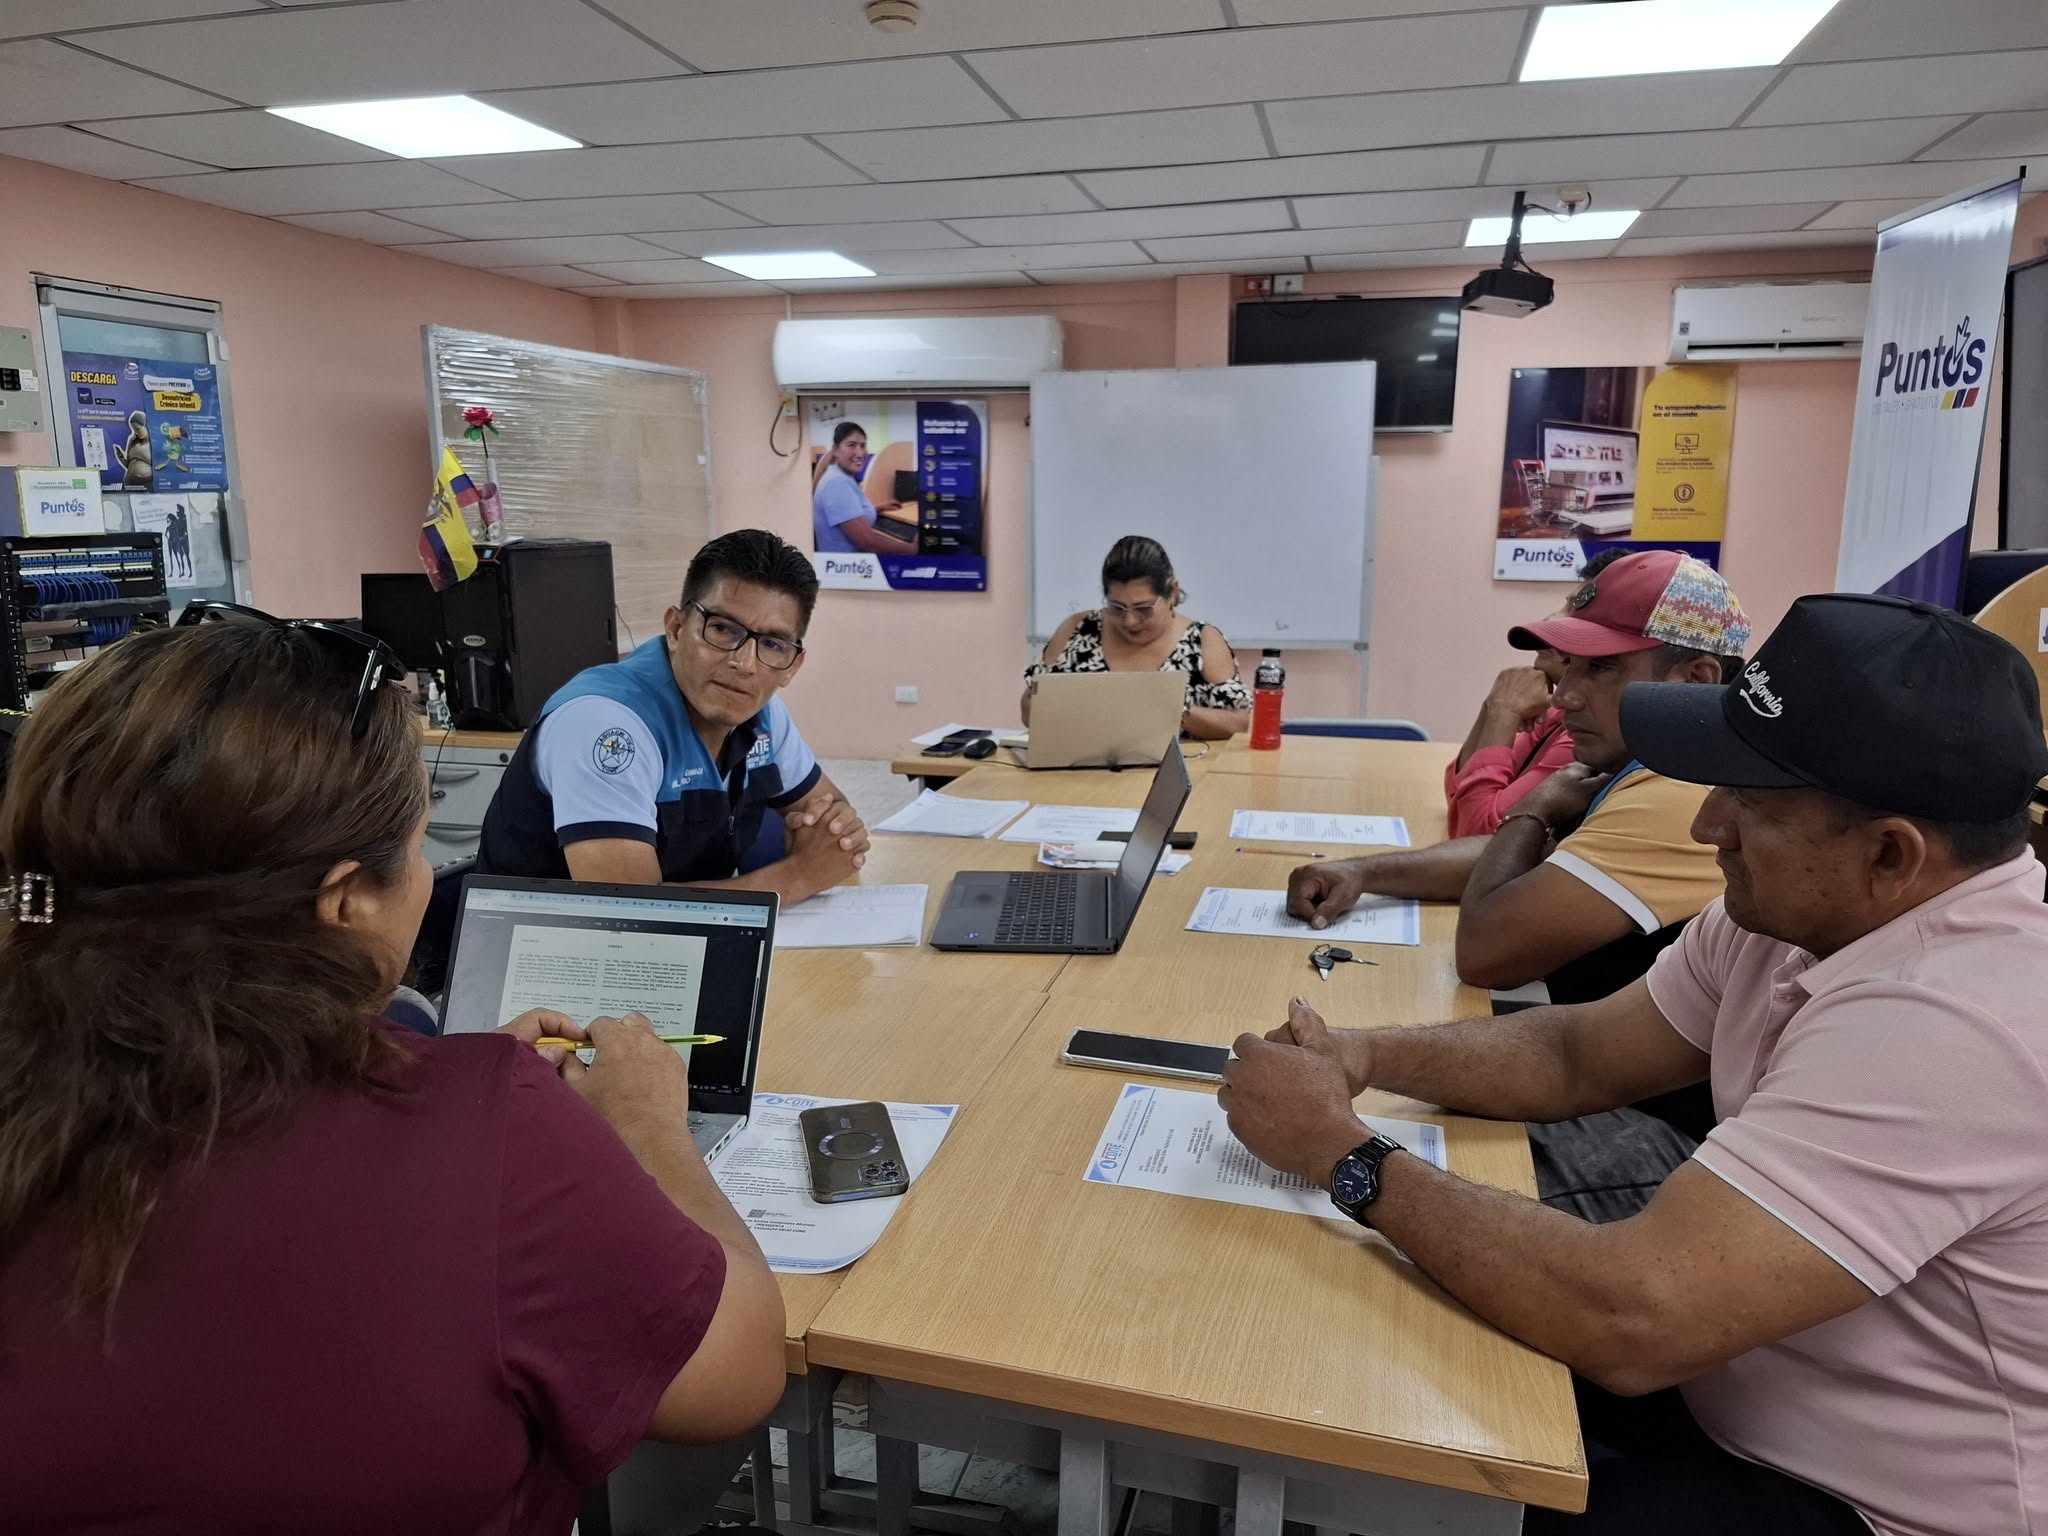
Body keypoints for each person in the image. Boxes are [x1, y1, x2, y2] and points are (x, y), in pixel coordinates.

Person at [1221, 593, 2048, 1535]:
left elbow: (1633, 1318)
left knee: (1415, 1474)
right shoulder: (1799, 912)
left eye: (1748, 802)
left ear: (1891, 855)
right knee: (1361, 1350)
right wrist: (1361, 1055)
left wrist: (1342, 1153)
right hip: (1733, 1385)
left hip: (1867, 1505)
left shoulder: (1960, 1020)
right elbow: (1574, 1053)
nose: (1707, 827)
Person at [0, 609, 787, 1532]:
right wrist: (646, 1122)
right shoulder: (498, 1135)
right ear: (344, 903)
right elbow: (736, 1370)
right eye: (421, 850)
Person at [1292, 550, 1748, 1003]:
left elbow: (1482, 953)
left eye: (1601, 668)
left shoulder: (1680, 793)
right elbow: (1533, 861)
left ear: (1696, 680)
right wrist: (1362, 872)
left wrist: (1533, 808)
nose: (1563, 697)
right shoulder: (1648, 762)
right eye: (1569, 666)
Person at [477, 528, 869, 902]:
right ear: (677, 629)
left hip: (682, 944)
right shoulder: (606, 726)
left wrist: (828, 835)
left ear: (792, 666)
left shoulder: (761, 713)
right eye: (723, 629)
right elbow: (629, 911)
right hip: (538, 944)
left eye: (772, 644)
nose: (745, 663)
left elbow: (831, 821)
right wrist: (798, 876)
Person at [1444, 550, 1630, 837]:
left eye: (1574, 611)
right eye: (1564, 604)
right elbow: (1457, 794)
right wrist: (1494, 704)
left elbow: (1475, 833)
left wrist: (1503, 711)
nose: (1549, 620)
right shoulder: (1557, 712)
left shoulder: (1586, 735)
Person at [1024, 535, 1252, 741]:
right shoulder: (1078, 630)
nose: (1130, 621)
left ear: (1172, 593)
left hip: (1176, 770)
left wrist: (1173, 711)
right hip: (1080, 767)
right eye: (1117, 607)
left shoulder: (1201, 641)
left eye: (1143, 608)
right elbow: (1028, 710)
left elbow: (1238, 723)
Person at [812, 421, 910, 555]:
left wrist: (877, 508)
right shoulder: (837, 483)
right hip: (847, 565)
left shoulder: (837, 475)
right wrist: (913, 548)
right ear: (836, 450)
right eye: (851, 445)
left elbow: (846, 512)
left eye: (863, 446)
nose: (860, 453)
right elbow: (869, 543)